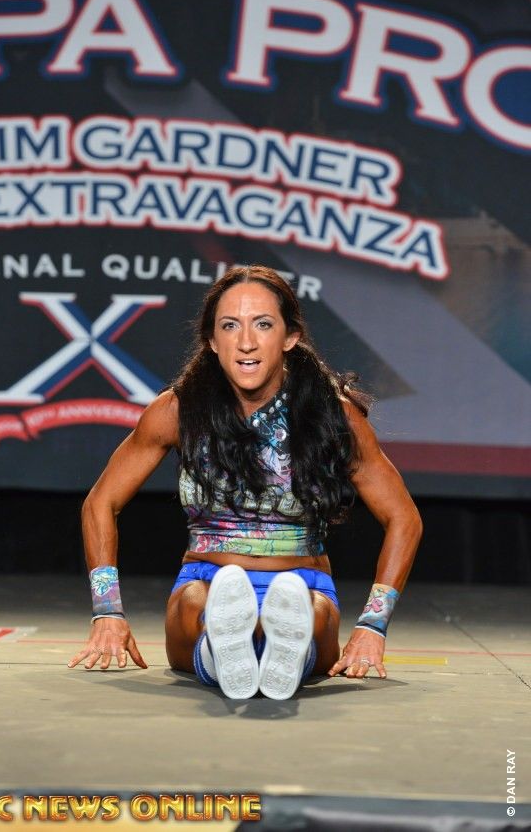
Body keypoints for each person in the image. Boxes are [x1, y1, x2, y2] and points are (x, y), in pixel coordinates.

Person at [69, 265, 422, 699]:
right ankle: (229, 647)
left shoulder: (333, 415)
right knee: (198, 602)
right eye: (230, 326)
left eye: (263, 324)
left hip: (303, 583)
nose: (246, 342)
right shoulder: (178, 411)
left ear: (290, 337)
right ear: (212, 341)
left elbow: (403, 518)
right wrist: (107, 612)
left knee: (308, 611)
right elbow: (100, 503)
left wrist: (372, 626)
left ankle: (266, 646)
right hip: (205, 579)